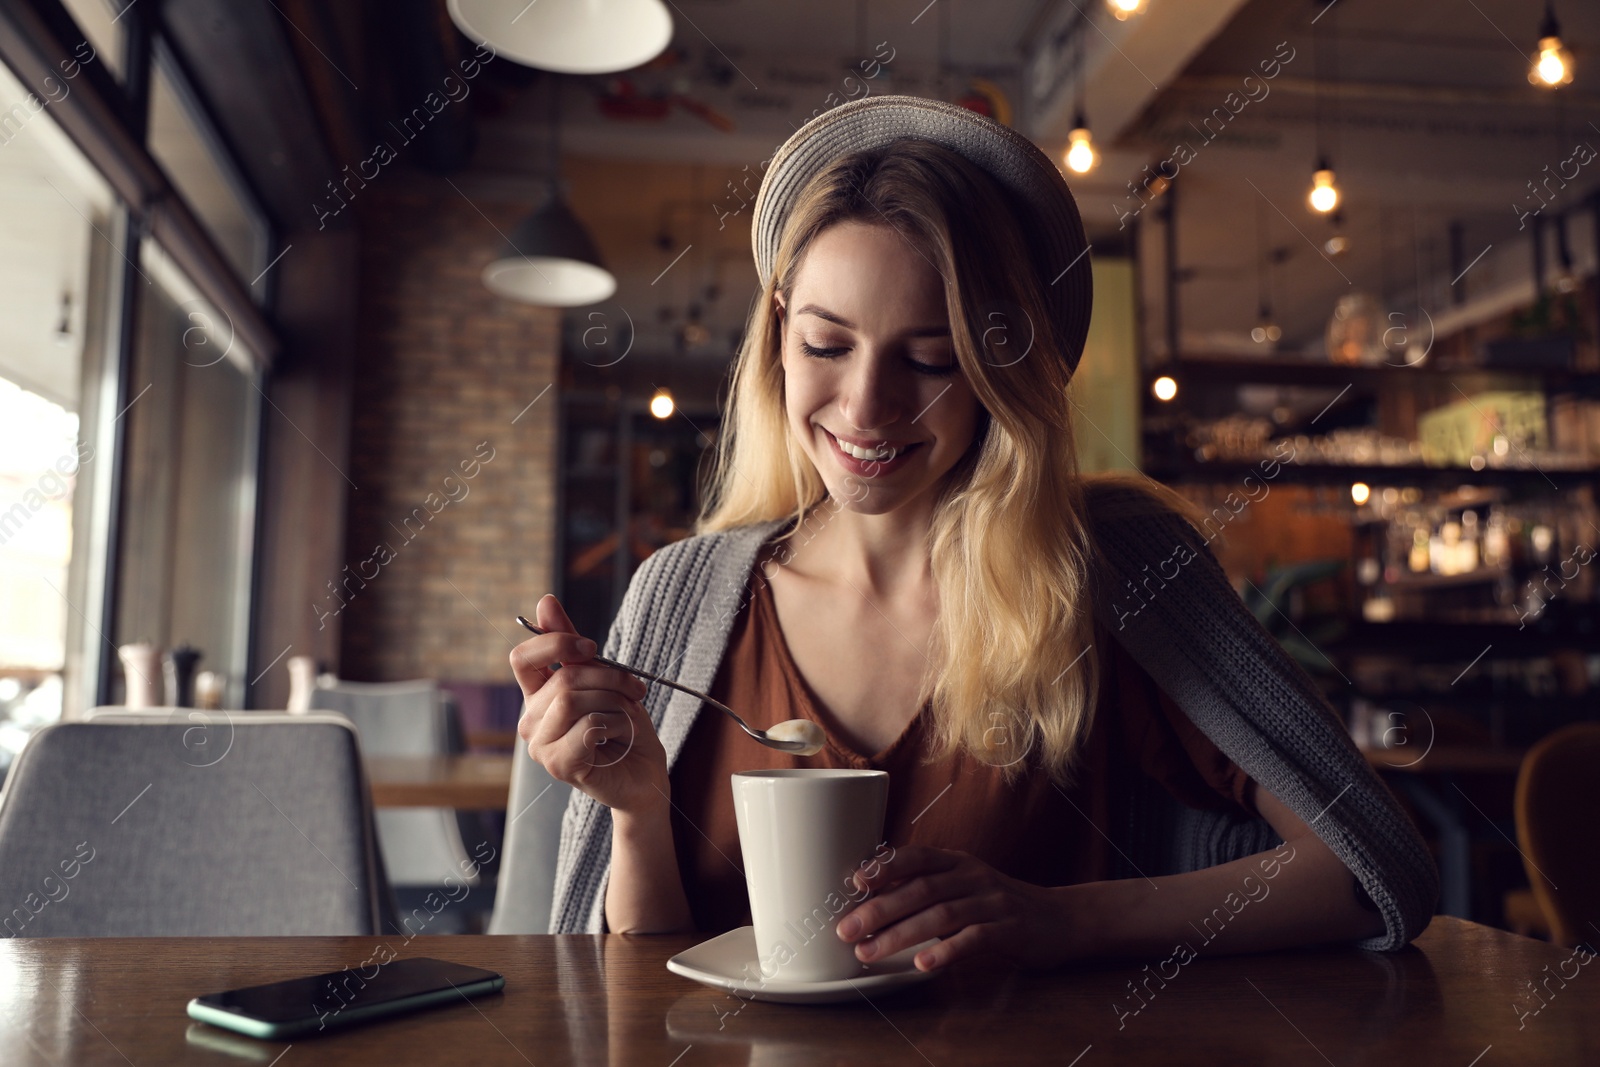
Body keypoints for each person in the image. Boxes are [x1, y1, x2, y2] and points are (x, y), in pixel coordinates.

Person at [512, 96, 1437, 972]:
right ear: (778, 339)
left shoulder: (1114, 562)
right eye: (827, 346)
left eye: (930, 358)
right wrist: (634, 809)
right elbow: (629, 988)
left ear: (1003, 374)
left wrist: (1058, 918)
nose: (867, 408)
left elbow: (1373, 867)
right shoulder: (682, 596)